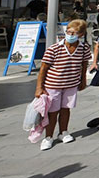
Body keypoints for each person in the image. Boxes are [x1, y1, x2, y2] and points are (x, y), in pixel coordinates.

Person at [33, 20, 90, 151]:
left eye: (74, 33)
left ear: (81, 34)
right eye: (69, 32)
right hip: (53, 85)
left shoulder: (83, 48)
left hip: (71, 84)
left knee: (66, 109)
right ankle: (48, 137)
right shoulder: (54, 48)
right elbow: (43, 68)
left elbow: (84, 64)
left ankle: (63, 132)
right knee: (52, 112)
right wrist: (39, 87)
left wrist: (83, 80)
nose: (70, 35)